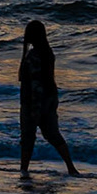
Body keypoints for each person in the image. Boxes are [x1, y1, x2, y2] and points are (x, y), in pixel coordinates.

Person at [19, 20, 80, 177]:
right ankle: (71, 168)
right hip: (50, 99)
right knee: (53, 134)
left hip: (33, 101)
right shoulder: (47, 52)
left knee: (28, 136)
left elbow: (35, 84)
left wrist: (34, 109)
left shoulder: (33, 56)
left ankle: (24, 170)